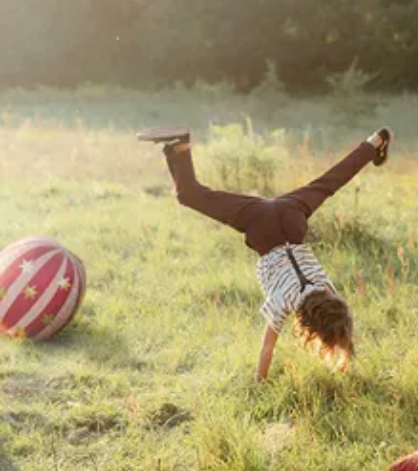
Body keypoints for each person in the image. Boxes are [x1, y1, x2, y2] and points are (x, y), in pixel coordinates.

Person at [137, 125, 392, 381]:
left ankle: (375, 140)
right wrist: (259, 385)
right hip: (261, 225)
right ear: (311, 328)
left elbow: (342, 321)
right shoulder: (283, 302)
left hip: (291, 214)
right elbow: (267, 349)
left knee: (332, 180)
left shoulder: (327, 289)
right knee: (189, 195)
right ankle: (179, 145)